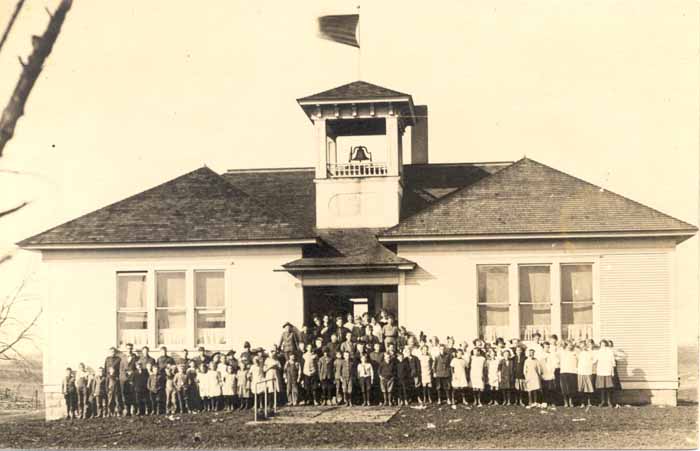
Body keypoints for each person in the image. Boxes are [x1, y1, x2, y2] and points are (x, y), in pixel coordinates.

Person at [595, 339, 616, 407]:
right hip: (601, 371)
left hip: (608, 371)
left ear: (606, 345)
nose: (603, 346)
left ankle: (609, 402)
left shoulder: (610, 352)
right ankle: (603, 401)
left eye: (604, 345)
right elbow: (594, 361)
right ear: (600, 345)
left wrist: (612, 371)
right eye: (601, 345)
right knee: (602, 388)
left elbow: (613, 362)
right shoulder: (598, 352)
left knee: (608, 387)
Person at [103, 347, 122, 414]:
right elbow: (105, 369)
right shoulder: (107, 359)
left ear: (115, 352)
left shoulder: (118, 359)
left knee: (117, 396)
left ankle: (118, 411)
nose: (112, 353)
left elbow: (120, 369)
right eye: (111, 352)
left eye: (113, 352)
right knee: (110, 396)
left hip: (116, 378)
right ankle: (110, 411)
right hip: (109, 378)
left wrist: (118, 377)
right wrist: (106, 377)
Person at [577, 343, 596, 407]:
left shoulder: (590, 353)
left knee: (588, 388)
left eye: (584, 346)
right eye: (581, 346)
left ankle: (589, 402)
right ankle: (582, 403)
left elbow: (594, 360)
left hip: (588, 372)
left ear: (586, 346)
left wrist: (590, 365)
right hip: (581, 372)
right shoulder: (578, 353)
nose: (583, 347)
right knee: (581, 388)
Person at [559, 342, 578, 407]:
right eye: (568, 345)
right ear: (566, 346)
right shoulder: (561, 352)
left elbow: (578, 361)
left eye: (571, 345)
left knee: (571, 388)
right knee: (564, 388)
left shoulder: (574, 353)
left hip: (572, 372)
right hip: (564, 371)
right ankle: (565, 402)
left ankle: (570, 401)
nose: (570, 347)